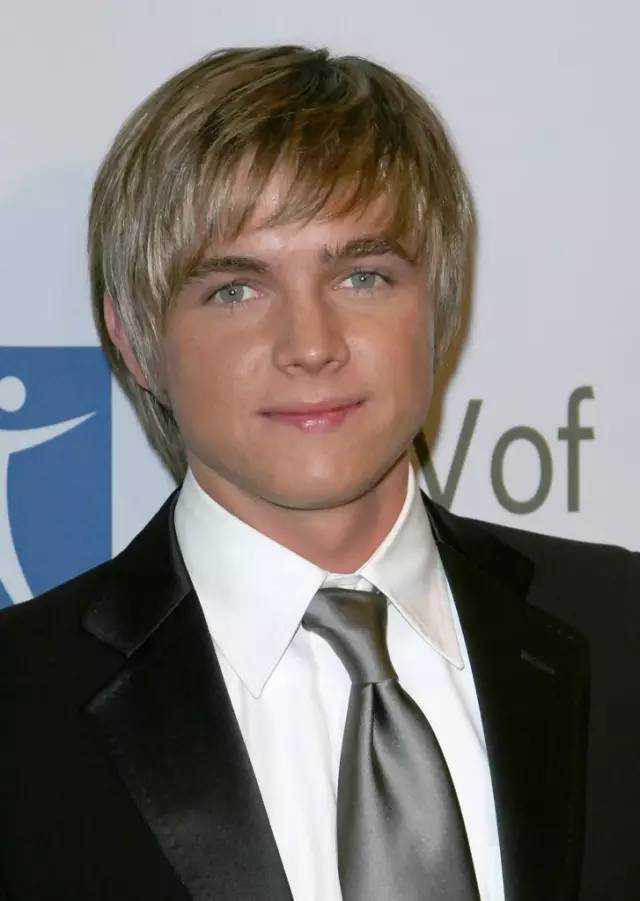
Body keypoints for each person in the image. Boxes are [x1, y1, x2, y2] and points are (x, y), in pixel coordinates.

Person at [0, 45, 637, 901]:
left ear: (440, 305)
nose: (310, 344)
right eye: (236, 289)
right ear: (135, 339)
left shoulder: (623, 626)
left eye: (363, 276)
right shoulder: (18, 706)